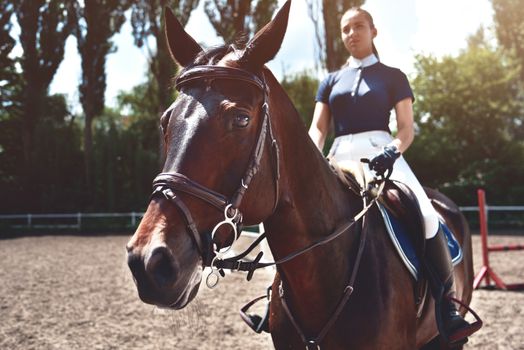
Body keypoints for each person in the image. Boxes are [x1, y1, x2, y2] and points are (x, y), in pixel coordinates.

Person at [308, 7, 478, 345]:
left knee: (427, 215)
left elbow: (406, 129)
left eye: (358, 26)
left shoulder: (393, 76)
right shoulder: (330, 80)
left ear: (373, 31)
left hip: (382, 151)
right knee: (296, 212)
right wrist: (311, 160)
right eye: (345, 29)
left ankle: (446, 307)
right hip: (338, 155)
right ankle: (275, 297)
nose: (351, 34)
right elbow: (317, 128)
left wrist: (392, 151)